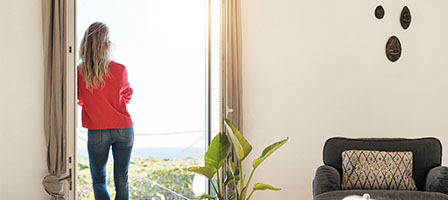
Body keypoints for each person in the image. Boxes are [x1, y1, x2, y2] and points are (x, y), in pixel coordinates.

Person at [77, 22, 134, 200]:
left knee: (99, 181)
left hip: (97, 131)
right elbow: (127, 96)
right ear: (106, 44)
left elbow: (80, 98)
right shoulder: (120, 69)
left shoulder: (80, 72)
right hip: (123, 129)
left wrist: (95, 103)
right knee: (121, 180)